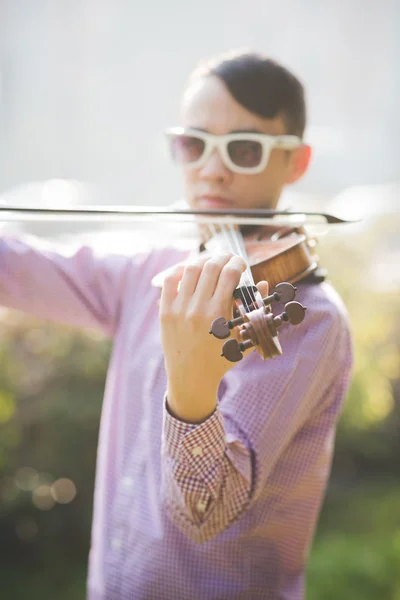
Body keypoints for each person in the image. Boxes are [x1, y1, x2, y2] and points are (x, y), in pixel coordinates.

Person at [0, 50, 353, 599]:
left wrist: (191, 388)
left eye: (243, 148)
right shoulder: (153, 266)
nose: (212, 169)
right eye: (194, 144)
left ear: (296, 162)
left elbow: (205, 513)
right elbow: (19, 270)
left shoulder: (305, 319)